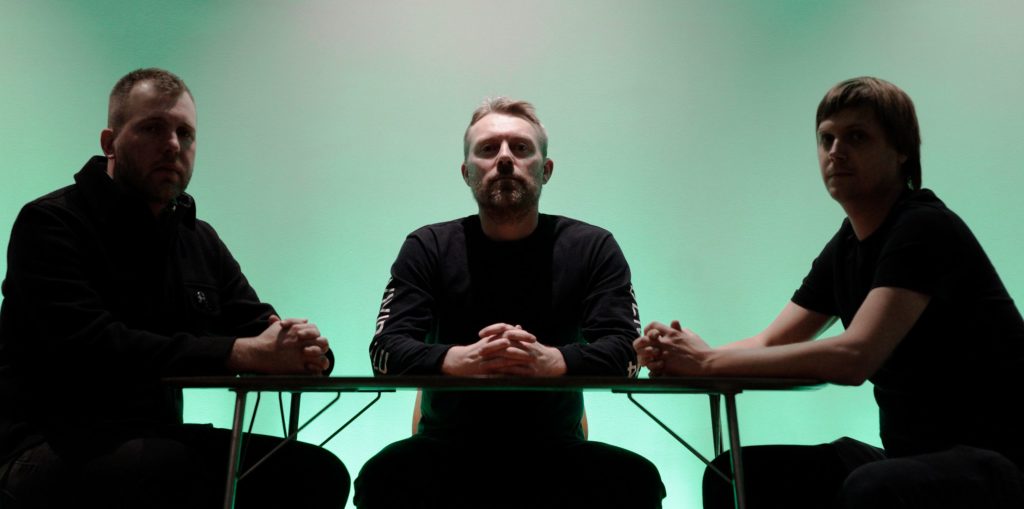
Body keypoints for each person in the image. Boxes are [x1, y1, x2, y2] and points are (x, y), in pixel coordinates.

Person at [635, 76, 1024, 508]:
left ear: (901, 152)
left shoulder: (924, 227)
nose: (836, 151)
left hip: (997, 462)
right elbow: (770, 342)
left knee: (873, 488)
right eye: (827, 139)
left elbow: (855, 355)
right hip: (910, 458)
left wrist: (707, 362)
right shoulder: (847, 245)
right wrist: (682, 356)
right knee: (732, 475)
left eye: (857, 137)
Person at [0, 68, 349, 509]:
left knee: (315, 474)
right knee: (171, 471)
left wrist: (303, 349)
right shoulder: (51, 223)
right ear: (110, 143)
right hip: (45, 444)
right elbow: (93, 345)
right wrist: (240, 353)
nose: (172, 145)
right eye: (152, 128)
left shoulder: (197, 237)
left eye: (185, 133)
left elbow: (254, 322)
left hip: (156, 440)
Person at [354, 98, 665, 509]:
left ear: (545, 170)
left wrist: (552, 361)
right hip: (446, 448)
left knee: (635, 480)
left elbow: (626, 350)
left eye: (520, 148)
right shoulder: (427, 246)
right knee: (385, 476)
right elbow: (385, 351)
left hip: (557, 450)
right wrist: (460, 360)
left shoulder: (593, 247)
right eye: (488, 149)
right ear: (467, 172)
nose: (504, 159)